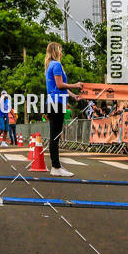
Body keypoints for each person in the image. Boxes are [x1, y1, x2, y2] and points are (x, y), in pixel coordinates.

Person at [44, 42, 82, 177]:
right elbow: (60, 85)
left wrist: (73, 95)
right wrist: (75, 85)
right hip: (56, 102)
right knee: (55, 136)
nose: (61, 53)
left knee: (55, 135)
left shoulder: (50, 65)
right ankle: (56, 166)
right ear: (55, 51)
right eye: (60, 50)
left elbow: (59, 87)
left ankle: (56, 165)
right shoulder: (57, 65)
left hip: (52, 101)